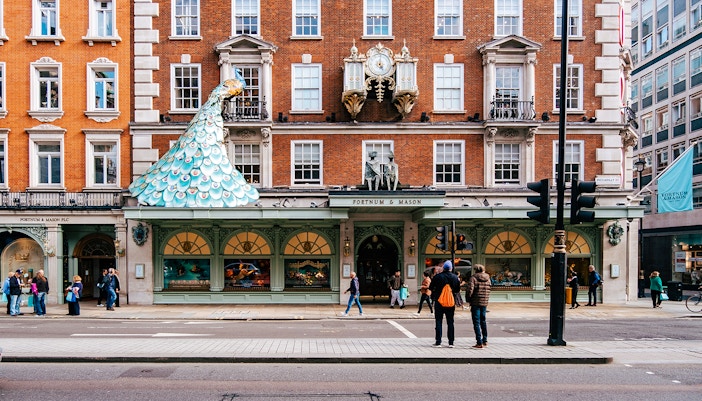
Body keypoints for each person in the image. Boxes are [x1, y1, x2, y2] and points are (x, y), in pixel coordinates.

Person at [428, 261, 460, 348]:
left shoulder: (438, 277)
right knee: (450, 322)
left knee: (438, 321)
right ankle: (451, 342)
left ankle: (438, 341)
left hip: (439, 301)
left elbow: (430, 288)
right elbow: (457, 290)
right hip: (450, 302)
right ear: (451, 268)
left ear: (443, 268)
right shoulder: (455, 277)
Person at [466, 264, 491, 348]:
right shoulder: (488, 278)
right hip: (484, 302)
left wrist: (468, 299)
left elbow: (470, 290)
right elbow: (489, 289)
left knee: (476, 322)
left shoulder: (473, 278)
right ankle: (485, 340)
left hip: (475, 302)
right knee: (483, 321)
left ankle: (479, 342)